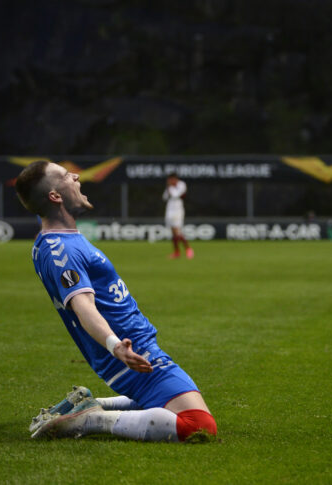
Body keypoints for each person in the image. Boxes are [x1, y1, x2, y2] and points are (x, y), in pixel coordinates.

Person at [15, 160, 216, 442]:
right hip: (132, 353)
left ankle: (87, 404)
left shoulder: (60, 239)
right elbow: (82, 305)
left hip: (133, 348)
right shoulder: (60, 249)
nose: (74, 175)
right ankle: (88, 419)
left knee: (171, 407)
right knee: (197, 425)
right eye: (64, 175)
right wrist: (115, 345)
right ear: (55, 196)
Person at [162, 172, 193, 259]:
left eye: (171, 180)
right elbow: (164, 197)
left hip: (178, 210)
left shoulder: (181, 184)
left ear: (174, 179)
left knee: (177, 231)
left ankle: (188, 248)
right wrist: (168, 187)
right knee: (173, 233)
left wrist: (170, 187)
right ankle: (177, 252)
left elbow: (176, 195)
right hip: (169, 210)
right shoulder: (169, 187)